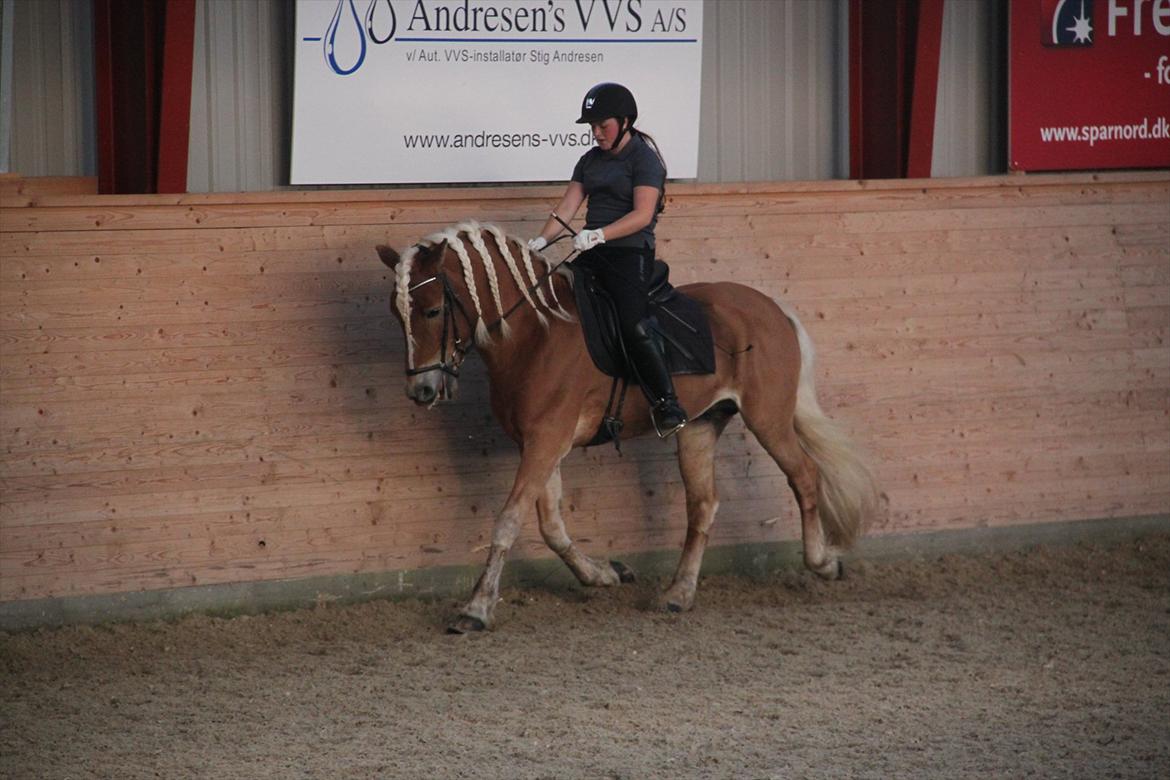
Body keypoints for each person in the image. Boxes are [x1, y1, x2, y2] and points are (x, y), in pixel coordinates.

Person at [527, 82, 688, 437]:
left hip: (630, 254)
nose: (596, 133)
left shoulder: (644, 161)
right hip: (592, 251)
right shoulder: (589, 161)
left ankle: (667, 402)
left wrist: (599, 233)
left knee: (633, 323)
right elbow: (567, 208)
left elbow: (643, 215)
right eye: (592, 127)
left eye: (603, 126)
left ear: (625, 122)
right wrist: (540, 240)